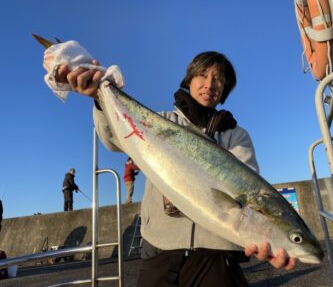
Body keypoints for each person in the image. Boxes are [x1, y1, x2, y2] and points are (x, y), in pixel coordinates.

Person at [54, 51, 297, 286]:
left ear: (224, 90)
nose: (209, 84)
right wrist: (100, 99)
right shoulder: (161, 121)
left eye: (218, 79)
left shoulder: (236, 136)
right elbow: (113, 138)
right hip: (161, 250)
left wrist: (259, 237)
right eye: (202, 75)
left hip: (217, 255)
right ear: (189, 80)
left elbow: (246, 192)